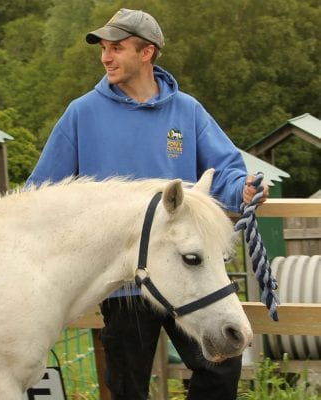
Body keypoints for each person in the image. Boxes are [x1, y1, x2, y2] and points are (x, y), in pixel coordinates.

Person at [26, 8, 268, 400]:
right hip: (121, 283)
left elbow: (224, 170)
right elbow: (40, 190)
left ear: (147, 53)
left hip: (185, 271)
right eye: (104, 49)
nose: (106, 57)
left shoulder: (186, 111)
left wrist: (242, 189)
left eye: (116, 48)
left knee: (222, 367)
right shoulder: (81, 114)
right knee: (127, 388)